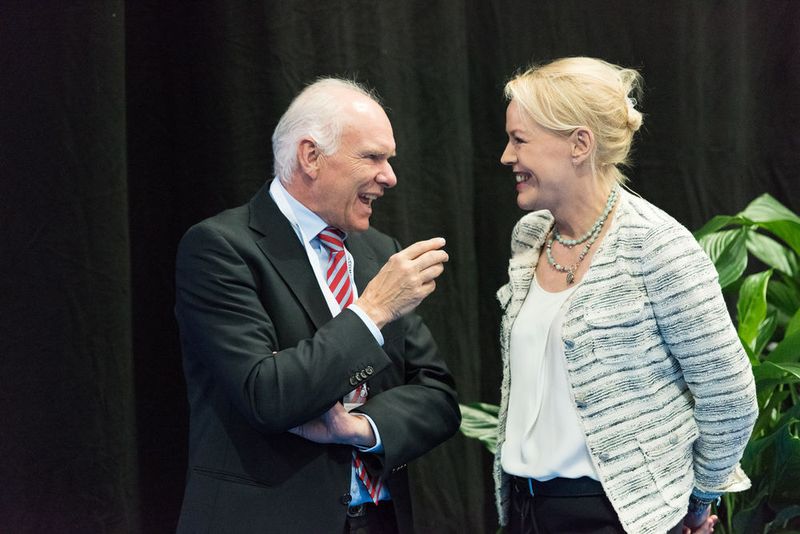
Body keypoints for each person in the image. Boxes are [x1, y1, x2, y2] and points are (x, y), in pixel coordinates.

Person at [174, 78, 461, 533]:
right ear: (311, 156)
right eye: (372, 157)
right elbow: (265, 394)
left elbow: (438, 397)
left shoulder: (379, 252)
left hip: (379, 521)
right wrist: (372, 313)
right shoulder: (222, 248)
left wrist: (359, 429)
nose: (390, 177)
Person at [492, 57, 758, 534]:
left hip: (622, 520)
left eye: (520, 140)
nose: (507, 156)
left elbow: (730, 396)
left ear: (579, 144)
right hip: (525, 511)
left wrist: (695, 504)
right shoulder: (529, 237)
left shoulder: (658, 246)